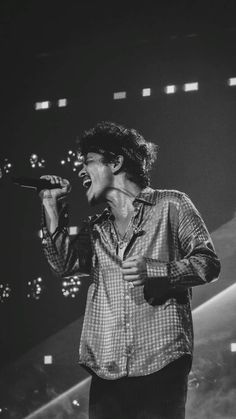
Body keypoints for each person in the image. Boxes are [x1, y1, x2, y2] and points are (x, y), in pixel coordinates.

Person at [39, 121, 220, 419]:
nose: (81, 171)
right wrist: (51, 207)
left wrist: (158, 271)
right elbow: (63, 265)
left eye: (88, 162)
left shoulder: (171, 205)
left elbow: (209, 263)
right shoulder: (96, 228)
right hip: (107, 368)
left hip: (160, 362)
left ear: (117, 161)